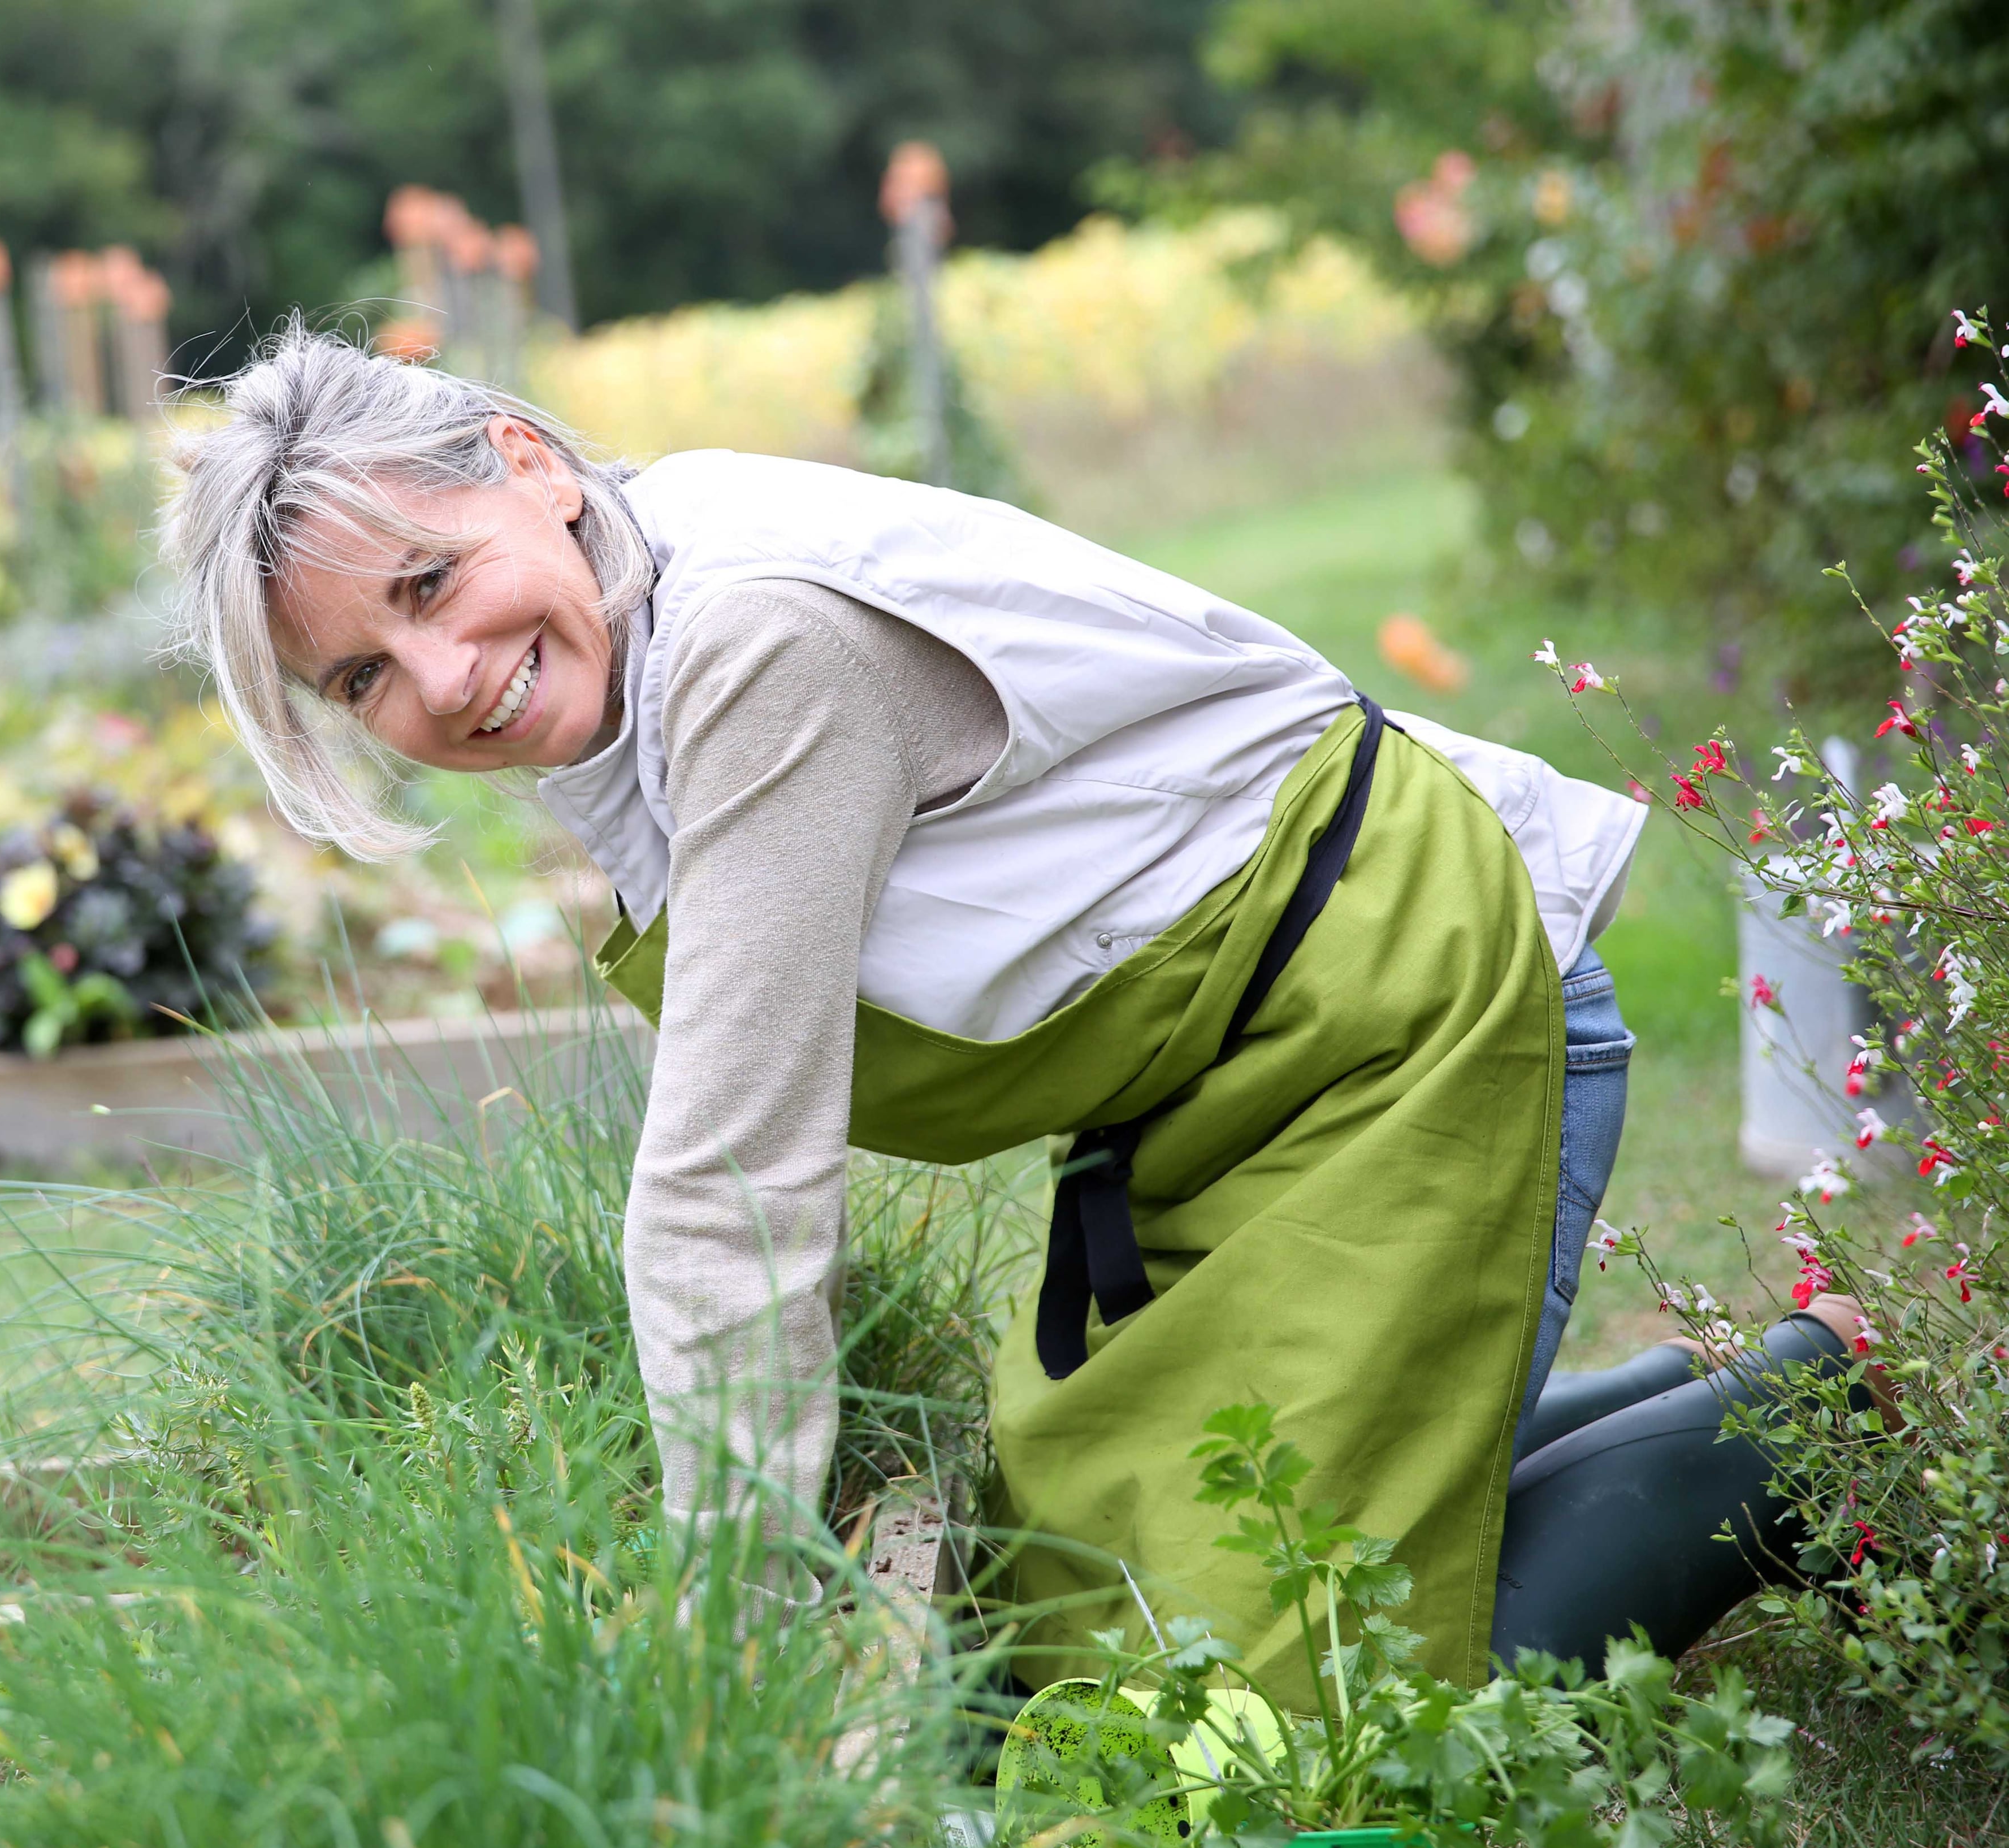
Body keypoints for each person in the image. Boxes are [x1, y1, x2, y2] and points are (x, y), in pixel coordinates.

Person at [163, 325, 1856, 1698]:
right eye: (362, 679)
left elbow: (731, 1181)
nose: (443, 679)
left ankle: (1820, 1431)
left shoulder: (754, 649)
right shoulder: (635, 620)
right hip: (1228, 1080)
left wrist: (724, 1624)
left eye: (430, 584)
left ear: (529, 469)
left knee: (1270, 1721)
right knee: (1083, 1619)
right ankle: (1680, 1401)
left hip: (1412, 1011)